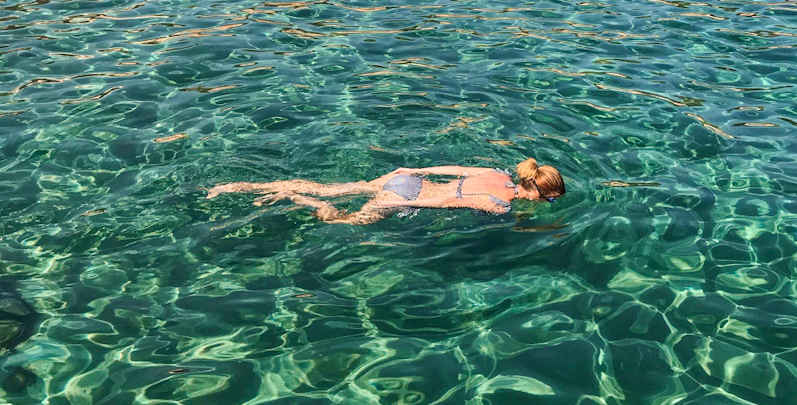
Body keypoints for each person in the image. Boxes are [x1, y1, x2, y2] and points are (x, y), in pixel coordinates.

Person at [207, 158, 566, 225]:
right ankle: (297, 199)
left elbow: (453, 171)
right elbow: (445, 202)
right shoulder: (499, 205)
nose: (548, 202)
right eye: (550, 198)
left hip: (405, 181)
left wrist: (410, 171)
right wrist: (401, 203)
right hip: (406, 197)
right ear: (538, 192)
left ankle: (235, 186)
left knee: (330, 189)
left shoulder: (496, 173)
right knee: (343, 221)